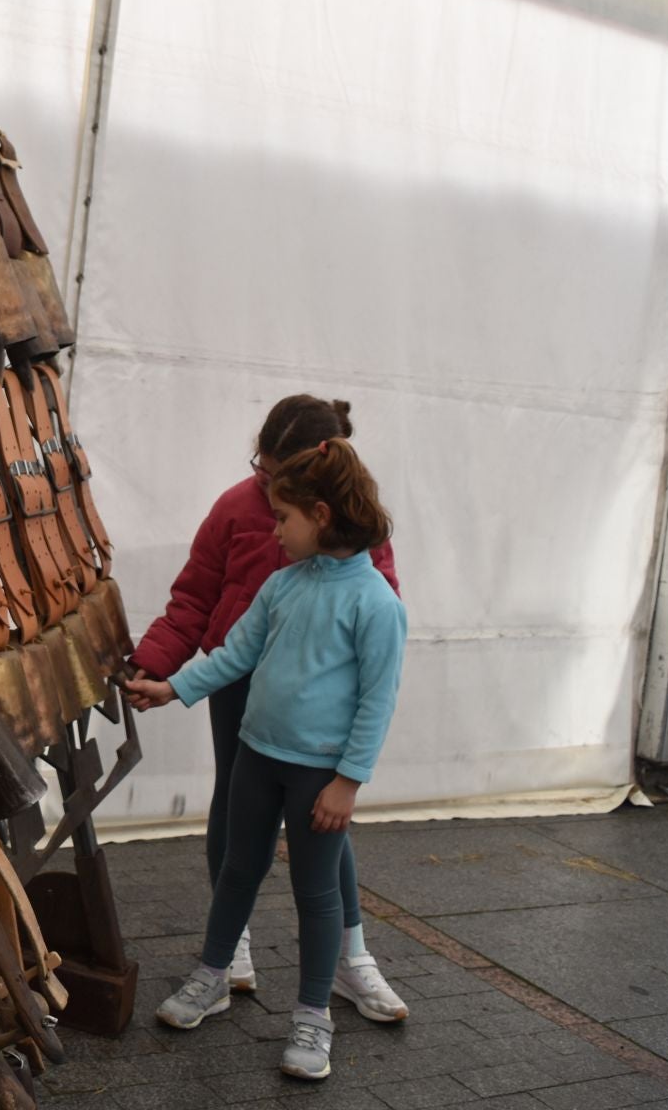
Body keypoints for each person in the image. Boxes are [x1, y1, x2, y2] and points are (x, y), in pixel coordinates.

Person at [124, 438, 407, 1082]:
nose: (274, 531)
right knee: (237, 873)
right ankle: (212, 974)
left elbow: (376, 703)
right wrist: (174, 688)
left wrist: (347, 783)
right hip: (256, 758)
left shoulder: (377, 604)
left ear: (322, 514)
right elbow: (234, 655)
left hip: (317, 778)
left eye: (283, 519)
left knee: (317, 896)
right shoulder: (281, 586)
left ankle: (314, 1015)